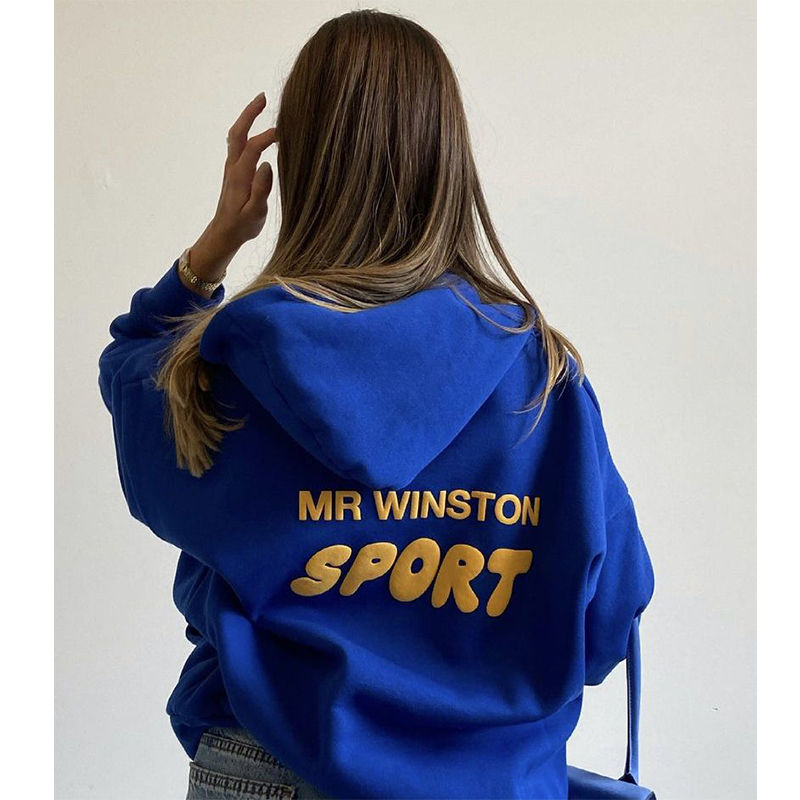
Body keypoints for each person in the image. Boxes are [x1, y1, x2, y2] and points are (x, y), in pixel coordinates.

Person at [98, 9, 655, 800]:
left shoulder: (222, 364)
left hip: (265, 761)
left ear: (303, 163)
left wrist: (212, 250)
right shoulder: (542, 380)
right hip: (490, 784)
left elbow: (130, 373)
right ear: (448, 160)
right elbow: (607, 621)